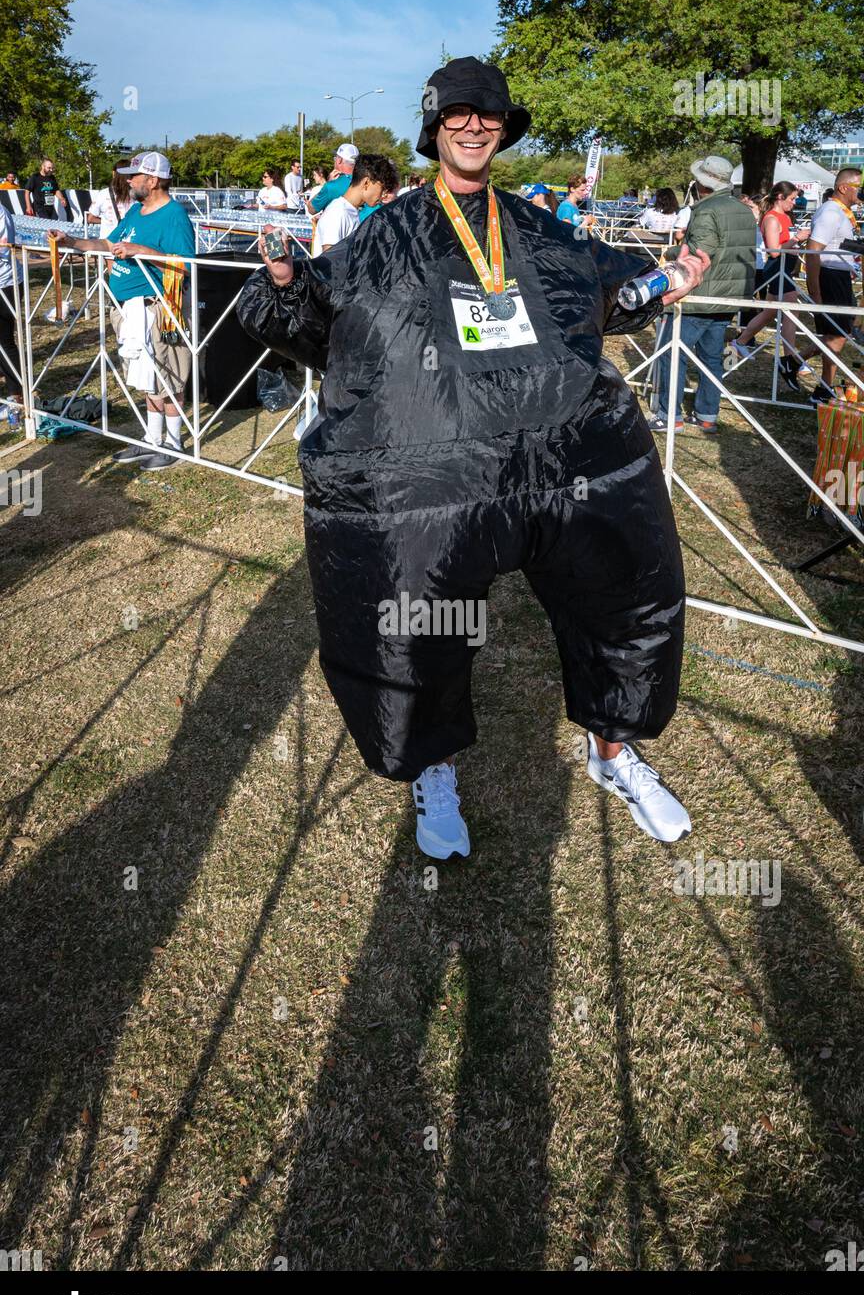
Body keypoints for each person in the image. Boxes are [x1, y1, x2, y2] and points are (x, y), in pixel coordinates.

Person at [238, 55, 711, 859]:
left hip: (558, 458)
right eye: (457, 113)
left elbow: (601, 289)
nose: (473, 125)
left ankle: (611, 751)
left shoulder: (532, 224)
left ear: (502, 128)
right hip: (438, 473)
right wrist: (287, 282)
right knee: (417, 621)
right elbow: (314, 321)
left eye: (487, 114)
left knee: (625, 592)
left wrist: (666, 278)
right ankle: (435, 769)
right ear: (433, 128)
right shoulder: (385, 234)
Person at [48, 151, 196, 471]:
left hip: (157, 309)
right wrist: (70, 240)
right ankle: (152, 439)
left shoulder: (174, 216)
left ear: (153, 180)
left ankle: (174, 444)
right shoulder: (136, 212)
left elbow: (185, 265)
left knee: (167, 380)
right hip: (129, 310)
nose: (129, 180)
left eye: (135, 176)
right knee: (146, 378)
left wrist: (140, 251)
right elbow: (108, 245)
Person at [651, 154, 754, 435]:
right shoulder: (744, 209)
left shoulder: (707, 210)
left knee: (672, 353)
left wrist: (670, 252)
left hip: (701, 295)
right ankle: (707, 414)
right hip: (729, 296)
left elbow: (698, 254)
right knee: (711, 358)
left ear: (702, 183)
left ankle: (669, 415)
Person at [731, 182, 812, 391]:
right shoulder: (772, 218)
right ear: (779, 197)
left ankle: (741, 341)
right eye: (792, 199)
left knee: (770, 312)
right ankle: (791, 360)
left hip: (784, 268)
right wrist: (796, 239)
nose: (795, 203)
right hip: (777, 268)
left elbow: (785, 247)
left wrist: (795, 245)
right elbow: (774, 251)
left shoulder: (785, 217)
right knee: (790, 313)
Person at [803, 167, 863, 403]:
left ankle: (795, 361)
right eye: (859, 186)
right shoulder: (830, 212)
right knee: (837, 335)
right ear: (843, 187)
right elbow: (813, 251)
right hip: (829, 276)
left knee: (840, 332)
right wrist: (814, 290)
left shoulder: (843, 212)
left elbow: (841, 245)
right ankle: (823, 389)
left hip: (839, 276)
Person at [310, 154, 399, 255]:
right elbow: (330, 264)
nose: (383, 195)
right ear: (366, 183)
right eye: (382, 189)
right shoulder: (338, 213)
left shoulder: (351, 211)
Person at [0, 205, 23, 426]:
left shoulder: (0, 213)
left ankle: (16, 400)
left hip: (5, 283)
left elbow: (5, 249)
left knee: (5, 342)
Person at [305, 144, 359, 217]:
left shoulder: (331, 186)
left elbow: (311, 209)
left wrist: (327, 183)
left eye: (335, 158)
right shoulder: (365, 182)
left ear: (339, 160)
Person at [86, 160, 134, 238]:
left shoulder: (103, 194)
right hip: (129, 242)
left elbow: (90, 218)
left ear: (114, 173)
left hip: (108, 241)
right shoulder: (137, 194)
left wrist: (108, 221)